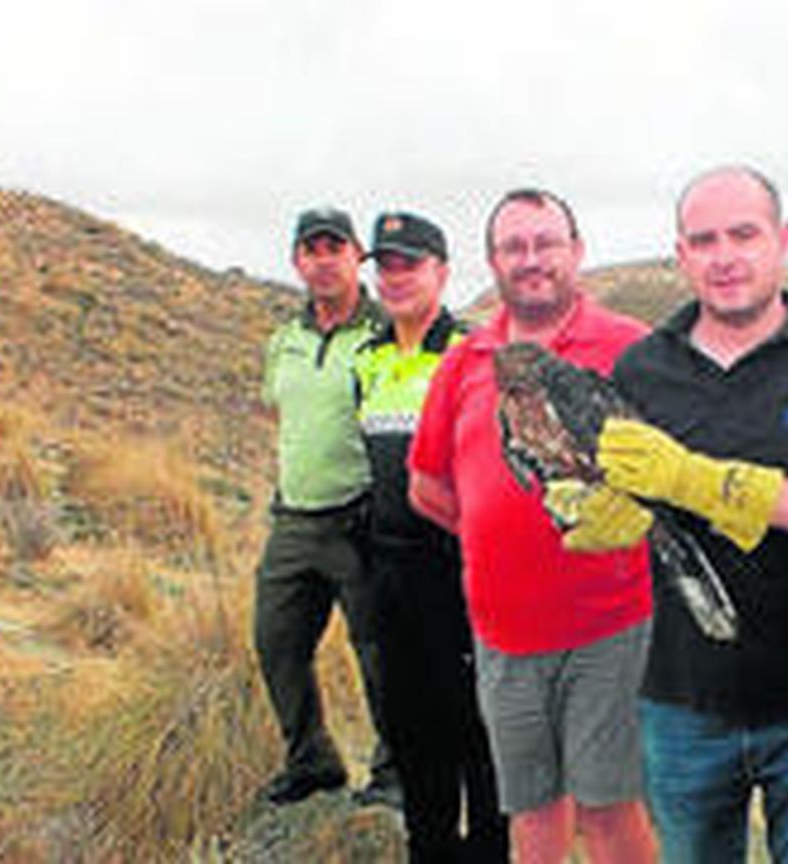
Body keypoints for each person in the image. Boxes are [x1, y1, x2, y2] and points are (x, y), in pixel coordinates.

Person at [603, 166, 788, 864]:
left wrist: (703, 482)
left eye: (744, 234)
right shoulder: (640, 369)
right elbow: (625, 501)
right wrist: (597, 509)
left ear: (782, 240)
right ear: (681, 256)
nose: (725, 255)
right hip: (681, 700)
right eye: (703, 240)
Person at [406, 189, 659, 864]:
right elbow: (427, 486)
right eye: (514, 247)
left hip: (610, 627)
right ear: (492, 262)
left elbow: (676, 476)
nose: (532, 259)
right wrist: (502, 540)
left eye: (546, 242)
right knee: (533, 815)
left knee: (610, 813)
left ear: (576, 252)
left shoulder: (632, 348)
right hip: (503, 636)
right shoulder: (464, 362)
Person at [354, 211, 506, 860]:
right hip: (389, 576)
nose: (395, 278)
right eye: (385, 266)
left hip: (461, 572)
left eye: (409, 264)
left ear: (442, 271)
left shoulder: (475, 356)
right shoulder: (369, 358)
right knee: (413, 736)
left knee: (478, 733)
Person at [253, 206, 392, 805]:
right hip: (294, 519)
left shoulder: (384, 333)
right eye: (312, 249)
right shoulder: (283, 340)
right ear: (297, 262)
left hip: (360, 520)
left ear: (356, 255)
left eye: (335, 247)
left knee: (380, 655)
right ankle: (312, 761)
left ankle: (396, 774)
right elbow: (282, 412)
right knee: (276, 641)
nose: (323, 259)